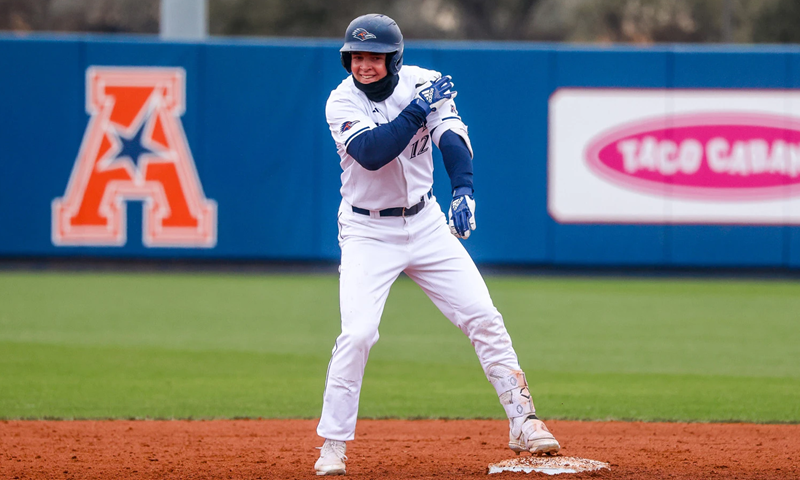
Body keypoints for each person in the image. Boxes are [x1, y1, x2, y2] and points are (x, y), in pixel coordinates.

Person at [315, 13, 560, 476]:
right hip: (368, 231)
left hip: (426, 222)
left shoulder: (424, 82)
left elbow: (450, 136)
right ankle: (333, 444)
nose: (364, 65)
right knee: (359, 333)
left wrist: (464, 188)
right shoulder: (340, 100)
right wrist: (416, 110)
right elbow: (371, 154)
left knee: (484, 317)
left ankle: (524, 422)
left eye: (375, 57)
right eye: (357, 56)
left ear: (394, 58)